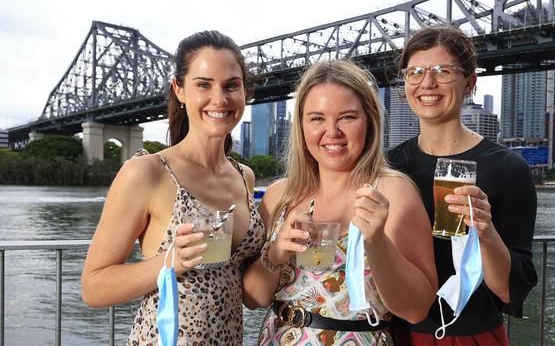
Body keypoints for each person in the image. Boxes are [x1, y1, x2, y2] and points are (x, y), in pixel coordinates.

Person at [80, 30, 265, 344]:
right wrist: (169, 262)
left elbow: (247, 285)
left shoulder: (244, 176)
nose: (220, 99)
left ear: (245, 92)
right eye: (203, 84)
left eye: (231, 85)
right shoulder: (147, 173)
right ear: (179, 90)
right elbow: (93, 287)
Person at [242, 60, 438, 345]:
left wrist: (378, 242)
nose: (332, 132)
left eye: (347, 117)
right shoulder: (278, 196)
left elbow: (416, 309)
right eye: (317, 118)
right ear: (301, 126)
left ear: (369, 121)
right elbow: (252, 298)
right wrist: (275, 254)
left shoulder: (393, 192)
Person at [387, 25, 538, 345]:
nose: (427, 83)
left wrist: (485, 231)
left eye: (442, 71)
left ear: (470, 82)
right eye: (415, 72)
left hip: (470, 336)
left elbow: (510, 292)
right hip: (391, 332)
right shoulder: (388, 165)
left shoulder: (509, 168)